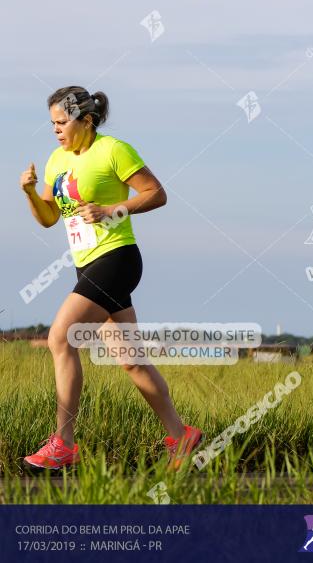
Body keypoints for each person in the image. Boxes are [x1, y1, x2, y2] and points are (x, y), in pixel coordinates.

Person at [19, 86, 201, 469]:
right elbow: (50, 218)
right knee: (131, 360)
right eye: (51, 123)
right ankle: (181, 435)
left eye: (61, 122)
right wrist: (30, 193)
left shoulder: (113, 150)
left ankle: (63, 443)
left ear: (86, 120)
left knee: (60, 338)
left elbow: (156, 193)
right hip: (87, 264)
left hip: (116, 259)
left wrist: (111, 210)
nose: (55, 129)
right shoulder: (57, 159)